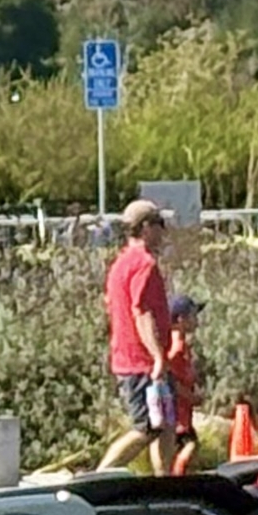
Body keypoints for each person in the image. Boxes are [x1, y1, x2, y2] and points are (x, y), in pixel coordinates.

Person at [97, 198, 177, 475]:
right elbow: (141, 311)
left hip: (131, 357)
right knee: (145, 428)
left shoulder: (120, 264)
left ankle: (165, 482)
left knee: (165, 424)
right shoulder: (144, 264)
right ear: (145, 228)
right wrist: (157, 356)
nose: (162, 232)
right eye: (159, 225)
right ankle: (99, 476)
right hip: (140, 362)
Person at [164, 294, 204, 475]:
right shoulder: (175, 344)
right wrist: (189, 396)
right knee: (189, 446)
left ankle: (179, 475)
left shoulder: (182, 345)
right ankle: (177, 477)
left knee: (190, 447)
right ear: (180, 319)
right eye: (193, 316)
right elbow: (168, 374)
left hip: (183, 412)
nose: (197, 321)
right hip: (177, 411)